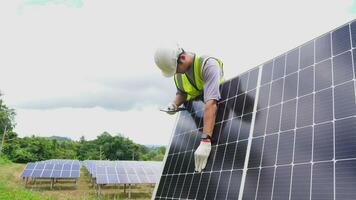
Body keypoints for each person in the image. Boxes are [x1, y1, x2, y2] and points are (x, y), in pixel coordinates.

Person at [154, 45, 224, 172]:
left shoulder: (208, 64)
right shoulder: (179, 74)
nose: (176, 73)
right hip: (198, 121)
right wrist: (174, 104)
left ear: (183, 57)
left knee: (219, 163)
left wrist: (205, 139)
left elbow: (211, 103)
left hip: (221, 114)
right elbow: (182, 93)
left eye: (176, 69)